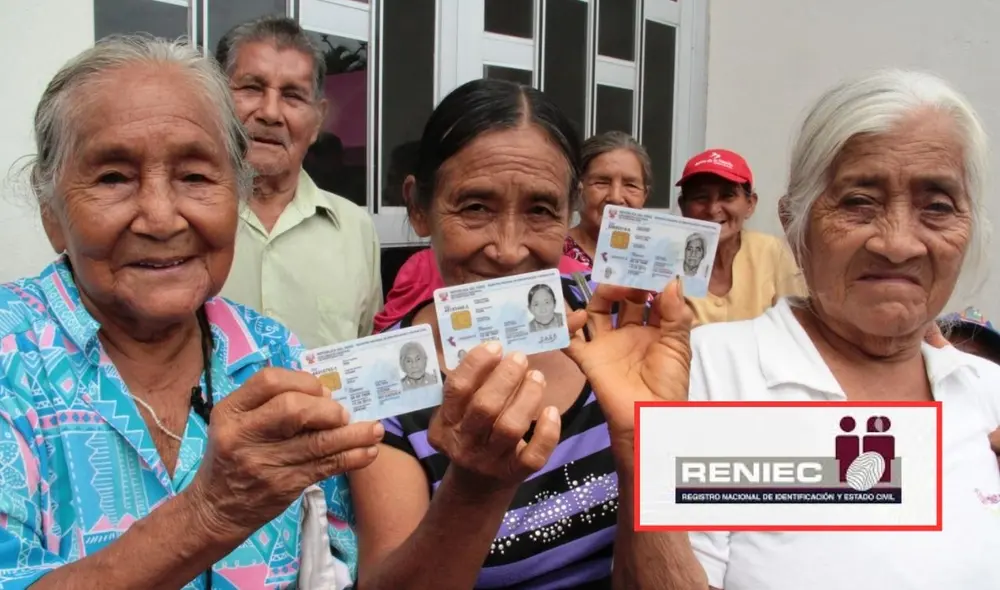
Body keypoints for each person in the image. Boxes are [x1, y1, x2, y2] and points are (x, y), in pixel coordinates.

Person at [571, 70, 1000, 589]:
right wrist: (648, 453)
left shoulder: (983, 391)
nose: (898, 243)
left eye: (937, 206)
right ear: (796, 224)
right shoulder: (710, 373)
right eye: (859, 202)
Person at [0, 36, 385, 589]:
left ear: (237, 197)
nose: (160, 218)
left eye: (196, 177)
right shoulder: (11, 359)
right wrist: (208, 515)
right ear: (51, 212)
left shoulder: (275, 354)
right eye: (113, 177)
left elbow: (332, 565)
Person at [349, 79, 623, 589]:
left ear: (568, 214)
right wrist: (473, 488)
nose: (508, 248)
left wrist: (646, 438)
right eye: (475, 207)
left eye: (540, 210)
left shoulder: (606, 322)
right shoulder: (380, 382)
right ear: (418, 208)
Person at [215, 16, 383, 349]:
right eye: (252, 88)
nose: (271, 113)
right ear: (216, 98)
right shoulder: (183, 220)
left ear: (318, 119)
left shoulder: (356, 229)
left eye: (292, 96)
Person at [676, 149, 806, 325]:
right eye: (701, 197)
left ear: (750, 204)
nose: (713, 209)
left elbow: (797, 325)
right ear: (683, 206)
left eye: (727, 196)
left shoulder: (774, 252)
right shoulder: (665, 256)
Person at [564, 131, 653, 268]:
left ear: (644, 196)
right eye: (602, 182)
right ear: (578, 189)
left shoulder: (657, 260)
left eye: (630, 185)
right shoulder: (553, 255)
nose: (616, 198)